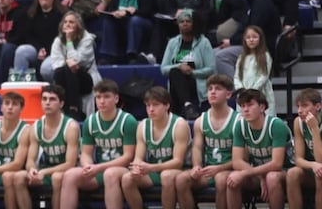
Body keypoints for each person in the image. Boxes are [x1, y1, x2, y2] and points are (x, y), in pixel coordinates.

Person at [58, 80, 139, 209]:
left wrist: (98, 168)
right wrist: (87, 166)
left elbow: (128, 157)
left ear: (116, 99)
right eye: (98, 97)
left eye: (106, 97)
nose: (101, 101)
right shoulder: (90, 121)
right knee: (69, 175)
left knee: (110, 174)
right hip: (100, 170)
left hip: (124, 171)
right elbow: (85, 153)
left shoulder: (128, 121)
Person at [9, 85, 80, 209]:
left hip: (67, 171)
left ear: (61, 104)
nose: (47, 103)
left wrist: (43, 172)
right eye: (44, 99)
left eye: (52, 99)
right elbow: (31, 159)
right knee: (18, 177)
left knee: (57, 178)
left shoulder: (71, 126)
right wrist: (32, 170)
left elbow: (70, 163)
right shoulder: (36, 126)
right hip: (46, 169)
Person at [174, 74, 237, 209]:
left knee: (221, 180)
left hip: (231, 170)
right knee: (181, 180)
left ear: (228, 94)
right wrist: (196, 166)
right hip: (209, 171)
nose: (213, 92)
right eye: (210, 89)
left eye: (218, 89)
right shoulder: (200, 121)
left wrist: (220, 168)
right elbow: (197, 148)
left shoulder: (238, 121)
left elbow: (242, 157)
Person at [120, 86, 190, 209]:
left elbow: (178, 162)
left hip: (178, 170)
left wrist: (151, 167)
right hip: (153, 171)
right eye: (148, 105)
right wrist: (136, 168)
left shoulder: (179, 125)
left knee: (166, 176)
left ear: (167, 106)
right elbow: (138, 158)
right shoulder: (143, 125)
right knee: (127, 178)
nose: (151, 109)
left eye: (155, 105)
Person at [226, 89, 292, 209]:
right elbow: (237, 162)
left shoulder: (276, 125)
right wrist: (261, 176)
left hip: (286, 172)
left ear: (262, 107)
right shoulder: (240, 126)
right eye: (242, 106)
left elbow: (277, 164)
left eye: (250, 105)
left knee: (272, 177)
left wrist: (251, 173)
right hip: (259, 173)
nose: (245, 109)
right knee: (233, 178)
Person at [44, 12, 102, 121]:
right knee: (63, 71)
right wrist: (69, 63)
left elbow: (78, 60)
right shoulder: (57, 41)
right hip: (66, 77)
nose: (67, 24)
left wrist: (69, 41)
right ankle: (69, 109)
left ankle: (73, 110)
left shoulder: (87, 39)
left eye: (71, 22)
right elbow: (56, 63)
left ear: (78, 25)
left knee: (70, 70)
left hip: (86, 79)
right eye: (65, 22)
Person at [160, 9, 215, 119]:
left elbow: (211, 69)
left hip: (196, 82)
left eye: (188, 21)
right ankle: (187, 105)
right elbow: (163, 69)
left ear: (194, 24)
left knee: (176, 74)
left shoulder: (203, 42)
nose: (185, 23)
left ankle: (182, 109)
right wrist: (179, 66)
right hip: (177, 81)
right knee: (175, 72)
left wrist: (192, 72)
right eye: (182, 21)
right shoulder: (173, 43)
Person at [288, 88, 322, 209]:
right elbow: (298, 159)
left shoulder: (316, 125)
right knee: (292, 173)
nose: (300, 111)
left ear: (318, 106)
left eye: (305, 106)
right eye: (298, 106)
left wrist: (315, 130)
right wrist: (313, 165)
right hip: (313, 168)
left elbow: (320, 159)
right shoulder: (298, 123)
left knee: (320, 175)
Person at [233, 25, 276, 117]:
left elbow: (264, 75)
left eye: (254, 37)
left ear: (260, 39)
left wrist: (253, 91)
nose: (251, 40)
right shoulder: (241, 58)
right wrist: (241, 88)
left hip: (260, 93)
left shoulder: (265, 56)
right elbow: (237, 76)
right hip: (243, 93)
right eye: (248, 37)